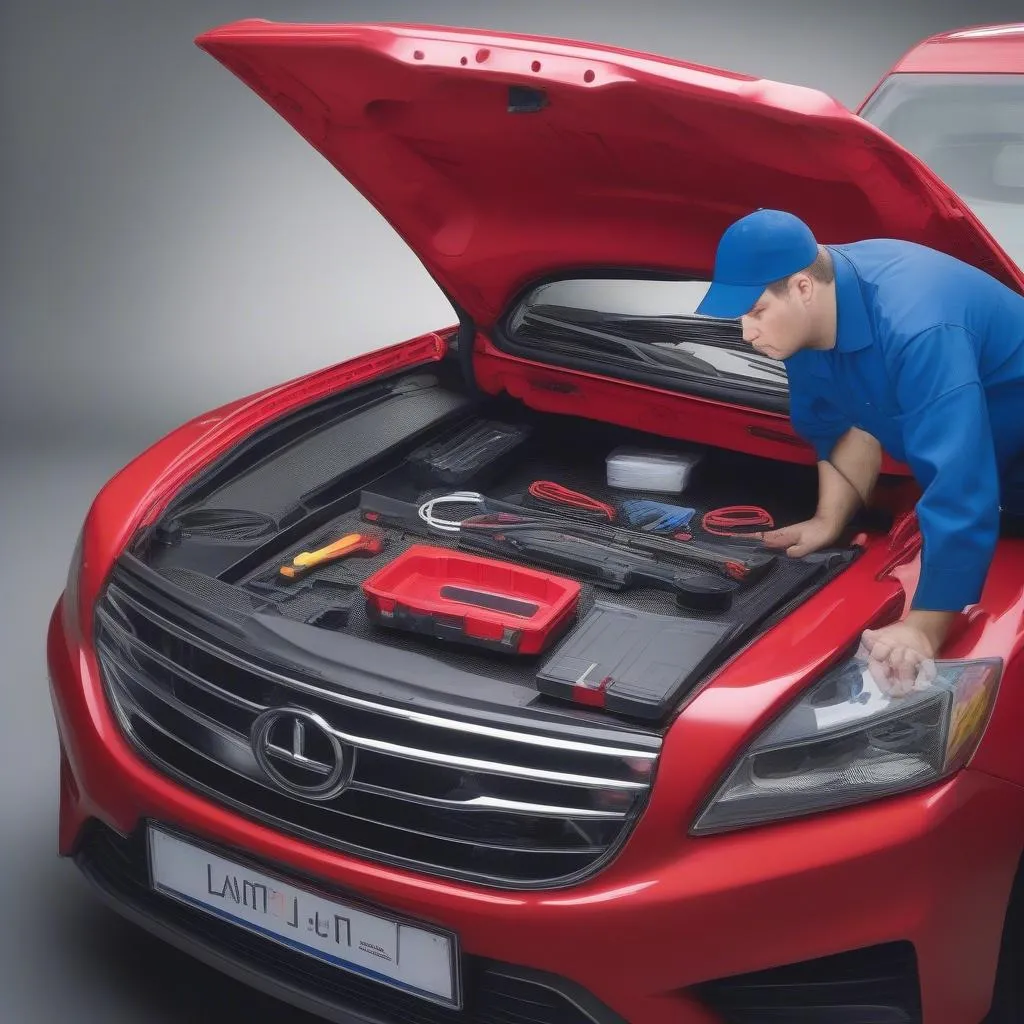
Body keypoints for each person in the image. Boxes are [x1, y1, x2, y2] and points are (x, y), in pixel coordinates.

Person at [695, 208, 1024, 692]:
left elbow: (959, 483)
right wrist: (830, 520)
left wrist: (922, 629)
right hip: (998, 463)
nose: (747, 333)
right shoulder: (808, 324)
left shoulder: (916, 325)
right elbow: (841, 423)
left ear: (803, 287)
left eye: (756, 311)